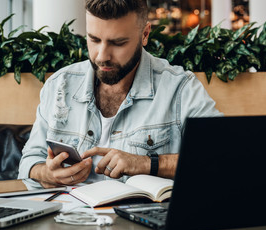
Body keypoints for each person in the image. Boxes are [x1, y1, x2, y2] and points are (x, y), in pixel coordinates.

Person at [18, 0, 222, 189]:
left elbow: (224, 157)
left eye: (118, 43)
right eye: (94, 39)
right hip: (68, 221)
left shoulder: (180, 88)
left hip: (142, 224)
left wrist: (146, 164)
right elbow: (29, 161)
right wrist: (47, 174)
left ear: (145, 35)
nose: (102, 56)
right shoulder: (59, 84)